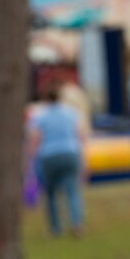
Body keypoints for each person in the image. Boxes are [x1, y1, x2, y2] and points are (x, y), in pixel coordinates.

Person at [26, 82, 87, 237]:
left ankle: (55, 229)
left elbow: (34, 139)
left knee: (51, 193)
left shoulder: (40, 116)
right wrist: (83, 160)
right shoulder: (71, 113)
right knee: (72, 191)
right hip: (70, 153)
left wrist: (30, 161)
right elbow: (80, 135)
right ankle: (76, 223)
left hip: (48, 155)